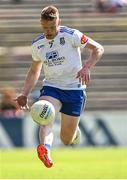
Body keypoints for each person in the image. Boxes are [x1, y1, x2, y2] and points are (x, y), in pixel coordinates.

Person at [15, 5, 104, 168]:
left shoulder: (72, 35)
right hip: (52, 87)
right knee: (45, 112)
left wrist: (87, 67)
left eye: (52, 27)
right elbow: (35, 70)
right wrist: (24, 93)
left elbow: (98, 48)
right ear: (40, 24)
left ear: (59, 22)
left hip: (75, 90)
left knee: (66, 139)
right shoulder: (38, 44)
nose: (48, 31)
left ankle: (74, 132)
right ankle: (45, 149)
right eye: (45, 27)